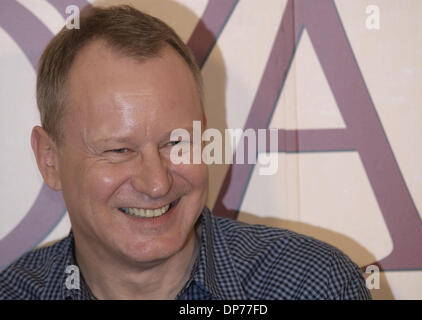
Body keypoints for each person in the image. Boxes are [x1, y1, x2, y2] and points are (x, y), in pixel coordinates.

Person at [0, 5, 371, 300]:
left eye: (177, 142)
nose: (157, 183)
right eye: (119, 149)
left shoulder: (317, 287)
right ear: (50, 159)